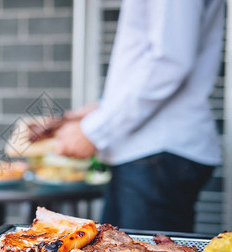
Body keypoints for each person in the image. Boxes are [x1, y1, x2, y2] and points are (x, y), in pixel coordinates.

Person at [55, 0, 224, 232]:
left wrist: (96, 130)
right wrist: (104, 110)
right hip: (148, 153)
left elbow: (169, 62)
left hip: (156, 154)